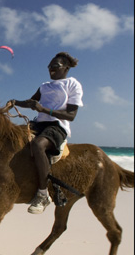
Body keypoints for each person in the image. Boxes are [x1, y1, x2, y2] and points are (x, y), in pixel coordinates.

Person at [8, 52, 83, 214]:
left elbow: (71, 115)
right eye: (49, 67)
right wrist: (15, 102)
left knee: (37, 144)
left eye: (55, 66)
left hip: (57, 126)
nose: (51, 69)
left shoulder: (72, 84)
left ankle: (43, 194)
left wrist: (44, 110)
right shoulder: (44, 86)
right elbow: (31, 102)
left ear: (66, 68)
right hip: (38, 124)